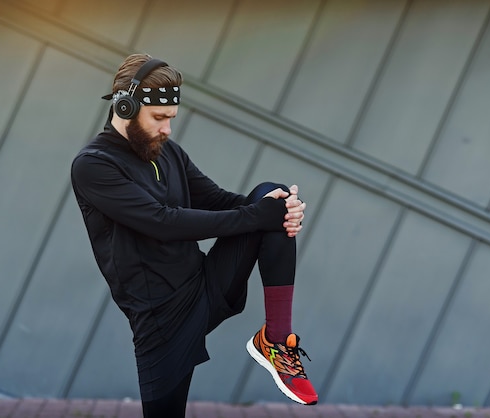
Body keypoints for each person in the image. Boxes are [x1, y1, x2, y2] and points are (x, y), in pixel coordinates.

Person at [71, 53, 317, 418]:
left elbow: (219, 201)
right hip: (161, 317)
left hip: (205, 284)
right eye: (159, 119)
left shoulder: (167, 152)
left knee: (273, 192)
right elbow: (163, 222)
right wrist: (256, 215)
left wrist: (277, 210)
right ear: (125, 106)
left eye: (171, 119)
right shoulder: (94, 165)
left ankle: (276, 341)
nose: (167, 130)